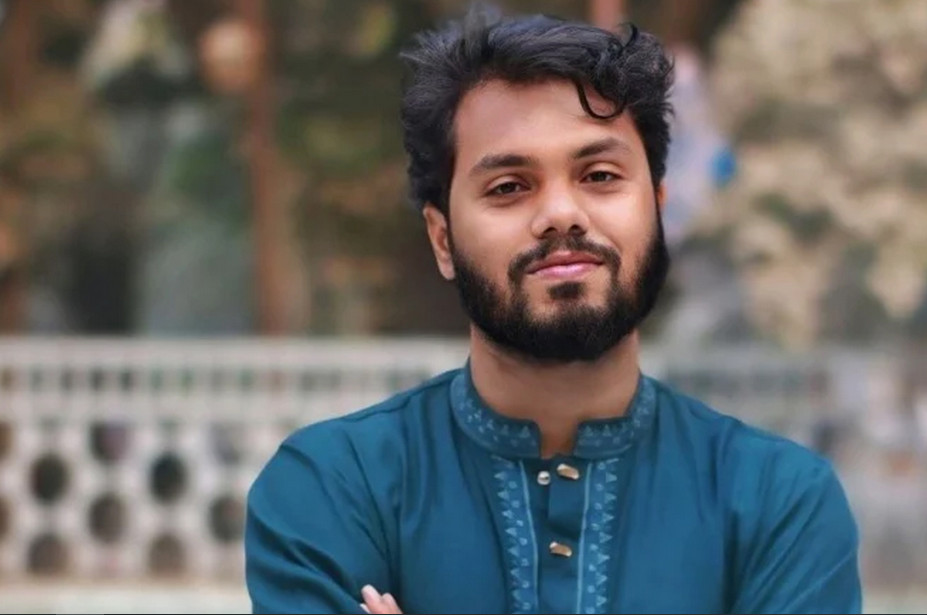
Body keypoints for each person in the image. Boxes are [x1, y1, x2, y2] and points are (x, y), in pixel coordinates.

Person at [243, 7, 862, 614]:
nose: (562, 214)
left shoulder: (778, 503)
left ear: (658, 209)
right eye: (509, 187)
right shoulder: (333, 488)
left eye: (599, 175)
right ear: (442, 239)